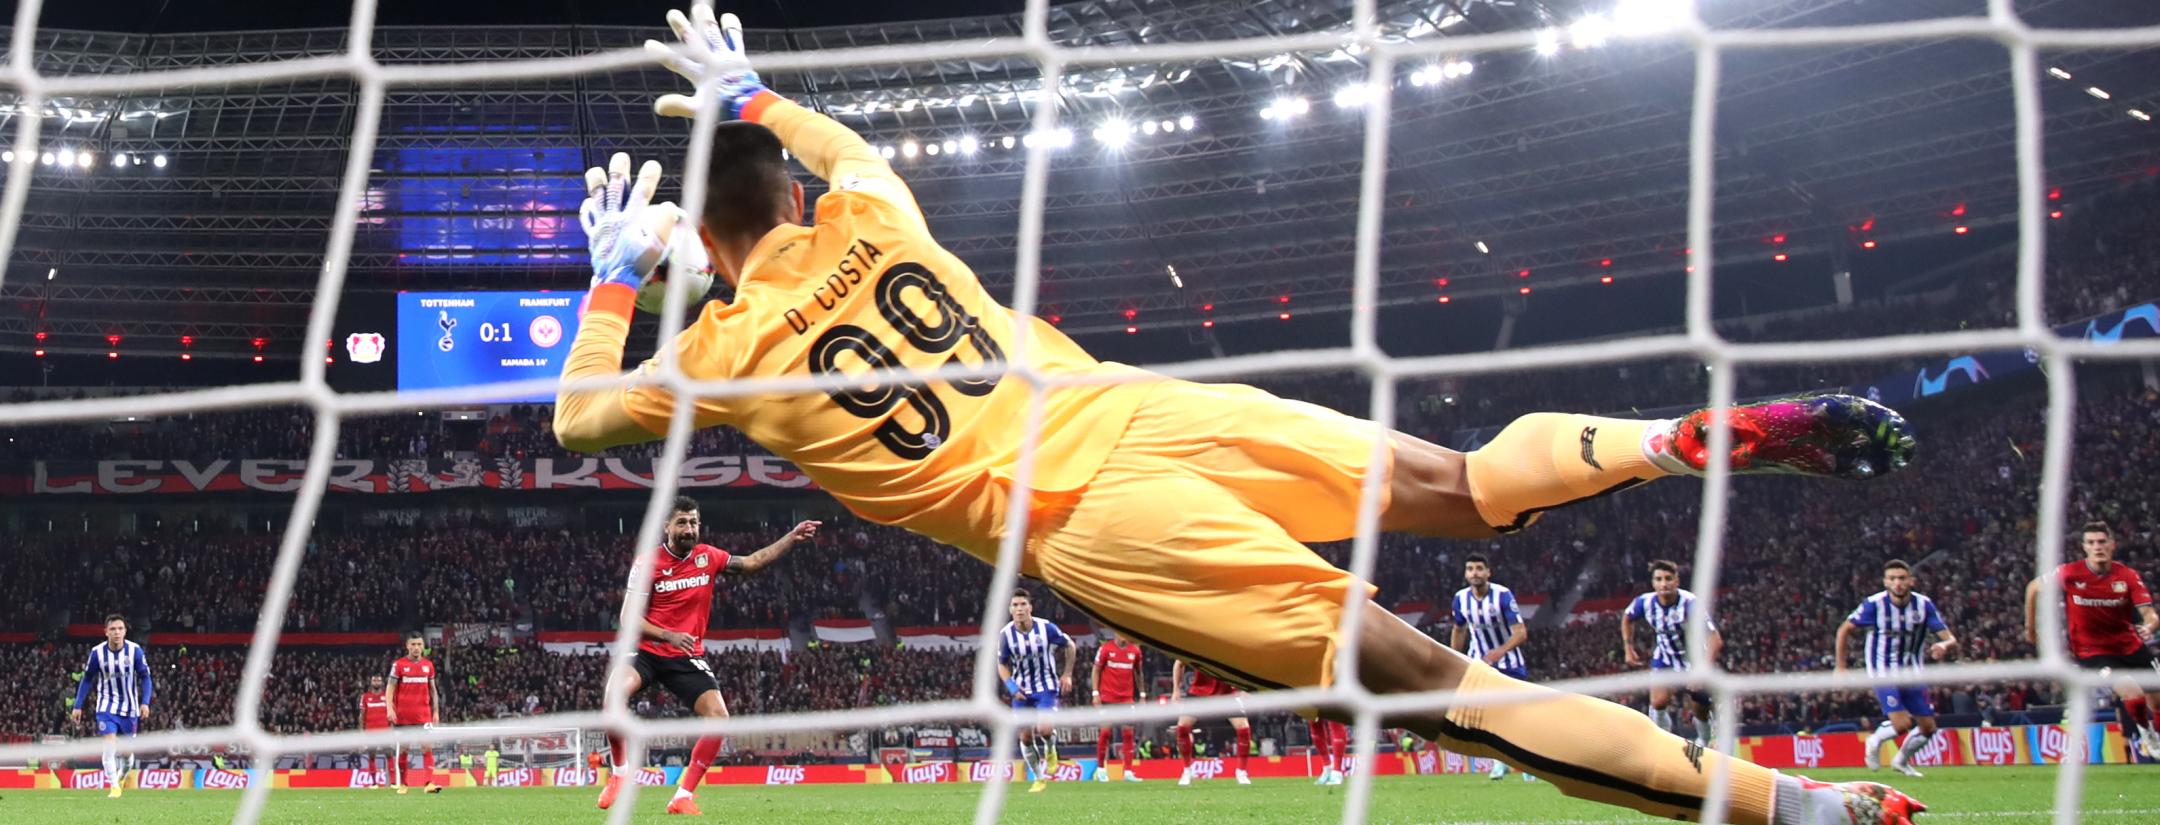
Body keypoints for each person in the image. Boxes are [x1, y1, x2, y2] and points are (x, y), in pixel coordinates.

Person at [553, 8, 1926, 822]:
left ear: (703, 253)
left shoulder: (719, 356)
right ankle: (1666, 441)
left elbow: (578, 422)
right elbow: (843, 150)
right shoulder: (872, 215)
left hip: (1090, 521)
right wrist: (754, 96)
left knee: (1444, 691)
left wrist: (615, 279)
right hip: (1144, 410)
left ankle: (1796, 807)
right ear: (792, 198)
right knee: (1463, 484)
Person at [592, 496, 818, 815]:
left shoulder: (708, 556)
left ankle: (682, 796)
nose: (689, 529)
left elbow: (752, 562)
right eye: (682, 522)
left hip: (685, 656)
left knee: (719, 718)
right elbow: (628, 618)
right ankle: (619, 775)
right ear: (666, 526)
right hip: (646, 649)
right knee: (613, 696)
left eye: (694, 522)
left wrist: (791, 538)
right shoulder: (647, 563)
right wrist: (668, 634)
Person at [2025, 521, 2160, 759]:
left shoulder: (2127, 576)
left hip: (2130, 646)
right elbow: (2033, 588)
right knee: (2133, 694)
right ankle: (2146, 731)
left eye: (2102, 542)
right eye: (2091, 542)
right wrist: (2031, 628)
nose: (2097, 547)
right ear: (2084, 547)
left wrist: (2149, 627)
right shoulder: (2070, 573)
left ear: (2112, 545)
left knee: (2157, 701)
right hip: (2093, 653)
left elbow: (2150, 614)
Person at [1836, 559, 1957, 776]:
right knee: (1902, 725)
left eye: (1901, 578)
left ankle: (1901, 761)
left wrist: (1944, 645)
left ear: (1911, 581)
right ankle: (1875, 740)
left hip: (1912, 672)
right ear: (1885, 582)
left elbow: (1950, 638)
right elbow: (1844, 629)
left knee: (1928, 728)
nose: (1897, 583)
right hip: (1883, 671)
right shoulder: (1874, 604)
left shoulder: (1923, 605)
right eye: (1892, 579)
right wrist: (1841, 666)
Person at [1622, 560, 1721, 748]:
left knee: (1700, 709)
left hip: (1693, 661)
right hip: (1665, 658)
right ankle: (1662, 743)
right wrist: (1628, 647)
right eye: (1658, 579)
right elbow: (1627, 618)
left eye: (1668, 579)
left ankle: (1704, 740)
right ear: (1653, 583)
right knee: (1658, 702)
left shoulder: (1690, 604)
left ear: (1677, 581)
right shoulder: (1645, 602)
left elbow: (1715, 639)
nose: (1663, 583)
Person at [1449, 553, 1529, 780]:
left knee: (1516, 714)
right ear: (1466, 574)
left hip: (1509, 663)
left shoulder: (1503, 595)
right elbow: (1459, 629)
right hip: (1478, 664)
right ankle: (1499, 762)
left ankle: (1526, 764)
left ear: (1488, 572)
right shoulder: (1460, 598)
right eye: (1470, 569)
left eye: (1479, 568)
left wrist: (1500, 651)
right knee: (1487, 714)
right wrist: (1454, 658)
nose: (1474, 573)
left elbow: (1521, 633)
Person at [996, 589, 1075, 794]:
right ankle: (1039, 778)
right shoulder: (1006, 635)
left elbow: (1070, 645)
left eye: (1023, 604)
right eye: (1015, 605)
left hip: (1046, 687)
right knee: (1025, 738)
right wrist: (1012, 687)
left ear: (1030, 607)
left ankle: (1050, 747)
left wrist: (1067, 674)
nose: (1019, 609)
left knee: (1045, 730)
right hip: (1021, 691)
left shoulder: (1046, 628)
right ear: (1010, 609)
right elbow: (1002, 664)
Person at [70, 614, 150, 799]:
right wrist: (77, 705)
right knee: (109, 745)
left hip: (130, 709)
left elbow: (145, 677)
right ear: (106, 632)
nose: (117, 632)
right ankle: (114, 787)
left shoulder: (135, 651)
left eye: (120, 629)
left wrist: (145, 702)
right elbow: (87, 678)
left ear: (125, 631)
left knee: (126, 754)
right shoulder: (97, 653)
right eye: (113, 629)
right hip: (106, 706)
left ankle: (121, 777)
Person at [1171, 660, 1252, 786]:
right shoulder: (1197, 648)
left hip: (1227, 694)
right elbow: (1179, 663)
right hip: (1199, 692)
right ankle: (1187, 771)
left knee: (1243, 728)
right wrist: (1176, 690)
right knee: (1182, 727)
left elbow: (1244, 663)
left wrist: (1245, 687)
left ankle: (1241, 772)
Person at [387, 631, 443, 795]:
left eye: (419, 644)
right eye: (413, 644)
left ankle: (429, 783)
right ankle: (403, 784)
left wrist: (436, 712)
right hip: (403, 716)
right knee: (404, 749)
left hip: (424, 715)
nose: (416, 647)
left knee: (427, 747)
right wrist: (389, 708)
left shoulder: (428, 665)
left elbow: (433, 690)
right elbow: (390, 688)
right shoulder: (398, 665)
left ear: (423, 646)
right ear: (407, 646)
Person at [1090, 633, 1145, 782]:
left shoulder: (1135, 651)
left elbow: (1138, 672)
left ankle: (1128, 772)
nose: (1124, 637)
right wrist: (1095, 693)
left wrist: (1142, 694)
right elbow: (1096, 670)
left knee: (1128, 735)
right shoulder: (1105, 649)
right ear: (1115, 633)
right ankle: (1101, 770)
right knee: (1105, 733)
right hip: (1107, 698)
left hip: (1126, 700)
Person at [360, 674, 392, 788]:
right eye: (374, 680)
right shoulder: (365, 697)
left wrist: (391, 729)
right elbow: (362, 715)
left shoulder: (387, 696)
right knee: (372, 756)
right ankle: (374, 783)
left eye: (378, 680)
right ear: (371, 682)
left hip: (385, 731)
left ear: (382, 683)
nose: (376, 682)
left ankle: (393, 783)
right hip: (371, 732)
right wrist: (362, 732)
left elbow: (391, 713)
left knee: (389, 754)